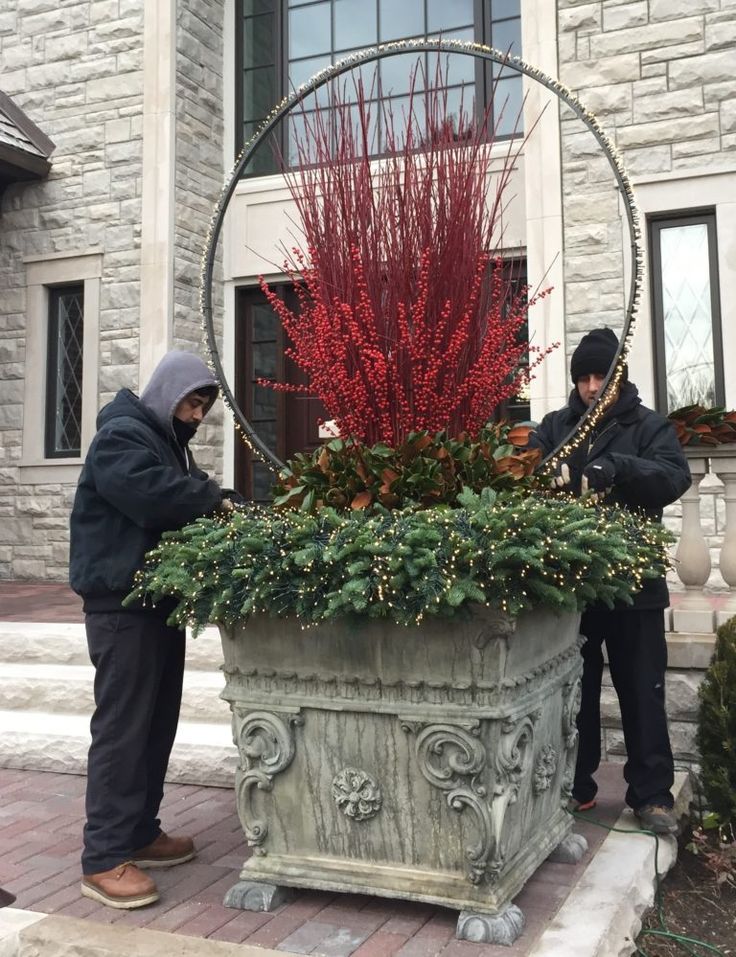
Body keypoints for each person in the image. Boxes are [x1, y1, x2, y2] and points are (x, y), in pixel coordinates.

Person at [69, 350, 235, 908]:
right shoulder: (121, 437)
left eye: (203, 408)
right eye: (192, 402)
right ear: (168, 393)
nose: (196, 416)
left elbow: (173, 490)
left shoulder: (165, 444)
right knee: (123, 728)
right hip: (122, 607)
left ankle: (139, 831)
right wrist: (219, 501)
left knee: (156, 722)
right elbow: (155, 496)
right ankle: (104, 856)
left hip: (156, 603)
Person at [530, 327, 691, 835]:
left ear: (618, 377)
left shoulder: (649, 427)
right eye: (584, 378)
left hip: (635, 587)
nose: (592, 386)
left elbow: (673, 477)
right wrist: (545, 468)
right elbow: (526, 463)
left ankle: (651, 797)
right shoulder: (557, 425)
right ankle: (575, 787)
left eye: (602, 376)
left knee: (642, 691)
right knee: (574, 691)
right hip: (573, 588)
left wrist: (615, 468)